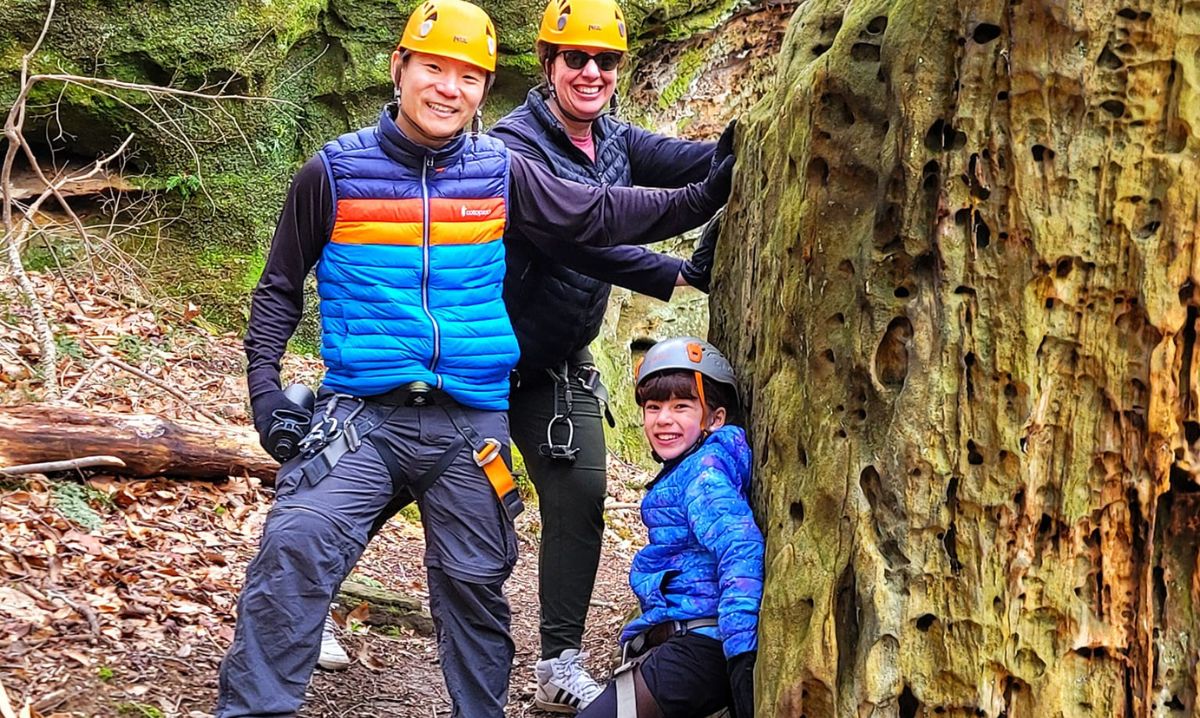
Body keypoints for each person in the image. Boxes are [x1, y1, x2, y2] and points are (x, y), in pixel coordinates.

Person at [216, 0, 734, 714]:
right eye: (434, 68)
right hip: (361, 418)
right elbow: (279, 288)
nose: (448, 88)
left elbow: (596, 216)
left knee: (476, 583)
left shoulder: (498, 171)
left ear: (484, 89)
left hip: (471, 422)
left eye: (468, 76)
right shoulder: (332, 172)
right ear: (400, 69)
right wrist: (265, 393)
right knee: (297, 543)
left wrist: (705, 195)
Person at [485, 0, 726, 709]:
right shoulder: (513, 147)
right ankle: (300, 605)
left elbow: (694, 158)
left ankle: (557, 659)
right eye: (576, 58)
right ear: (547, 63)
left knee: (580, 497)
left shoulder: (612, 138)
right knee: (399, 480)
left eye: (606, 60)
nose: (592, 72)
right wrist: (676, 265)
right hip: (480, 366)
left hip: (558, 367)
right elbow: (579, 233)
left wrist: (752, 149)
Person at [577, 337, 763, 718]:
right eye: (653, 407)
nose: (664, 419)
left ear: (715, 418)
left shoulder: (704, 475)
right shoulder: (689, 470)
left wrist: (742, 656)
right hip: (688, 639)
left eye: (682, 406)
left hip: (706, 645)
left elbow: (740, 549)